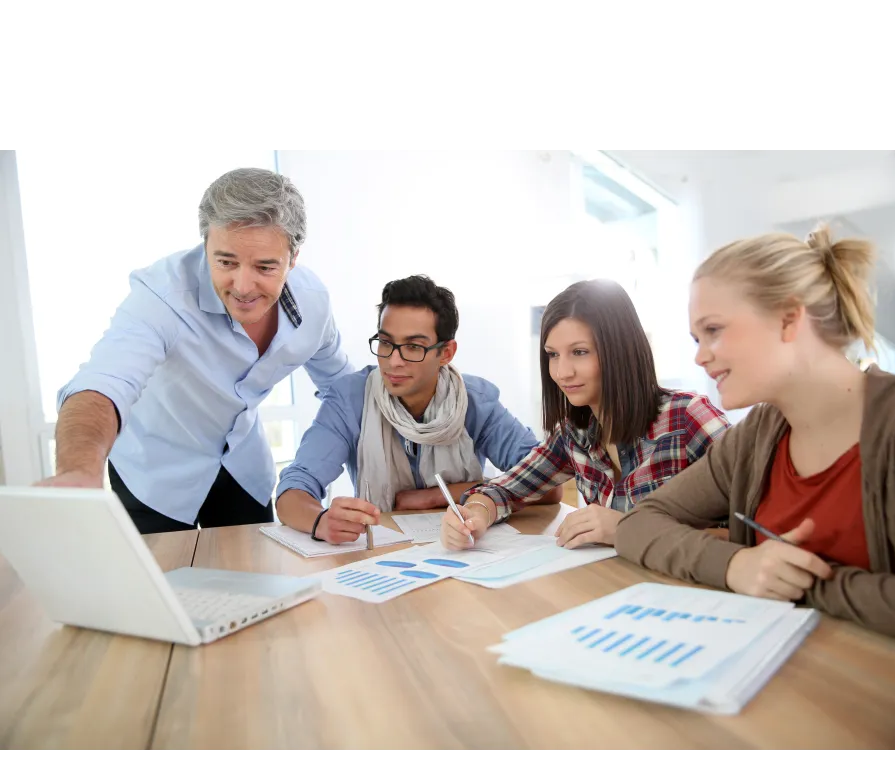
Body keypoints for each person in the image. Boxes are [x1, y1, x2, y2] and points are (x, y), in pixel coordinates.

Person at [615, 225, 895, 639]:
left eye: (713, 330)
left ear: (788, 319)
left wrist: (805, 583)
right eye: (697, 338)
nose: (699, 356)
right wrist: (736, 565)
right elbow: (638, 524)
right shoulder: (754, 438)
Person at [42, 167, 354, 533]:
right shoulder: (161, 295)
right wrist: (78, 471)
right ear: (205, 243)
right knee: (164, 586)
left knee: (255, 582)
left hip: (242, 468)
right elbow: (104, 383)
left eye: (265, 266)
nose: (243, 285)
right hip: (154, 475)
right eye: (226, 261)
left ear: (293, 256)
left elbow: (345, 391)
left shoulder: (313, 302)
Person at [440, 279, 732, 550]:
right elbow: (505, 490)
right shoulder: (575, 433)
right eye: (553, 355)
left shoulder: (688, 418)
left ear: (619, 350)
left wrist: (629, 530)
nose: (562, 372)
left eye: (579, 352)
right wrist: (475, 515)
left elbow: (760, 535)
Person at [275, 275, 560, 544]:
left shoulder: (475, 400)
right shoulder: (350, 398)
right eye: (386, 343)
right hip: (381, 554)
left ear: (446, 353)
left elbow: (547, 485)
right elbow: (292, 490)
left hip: (463, 552)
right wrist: (320, 521)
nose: (393, 361)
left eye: (413, 347)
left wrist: (434, 497)